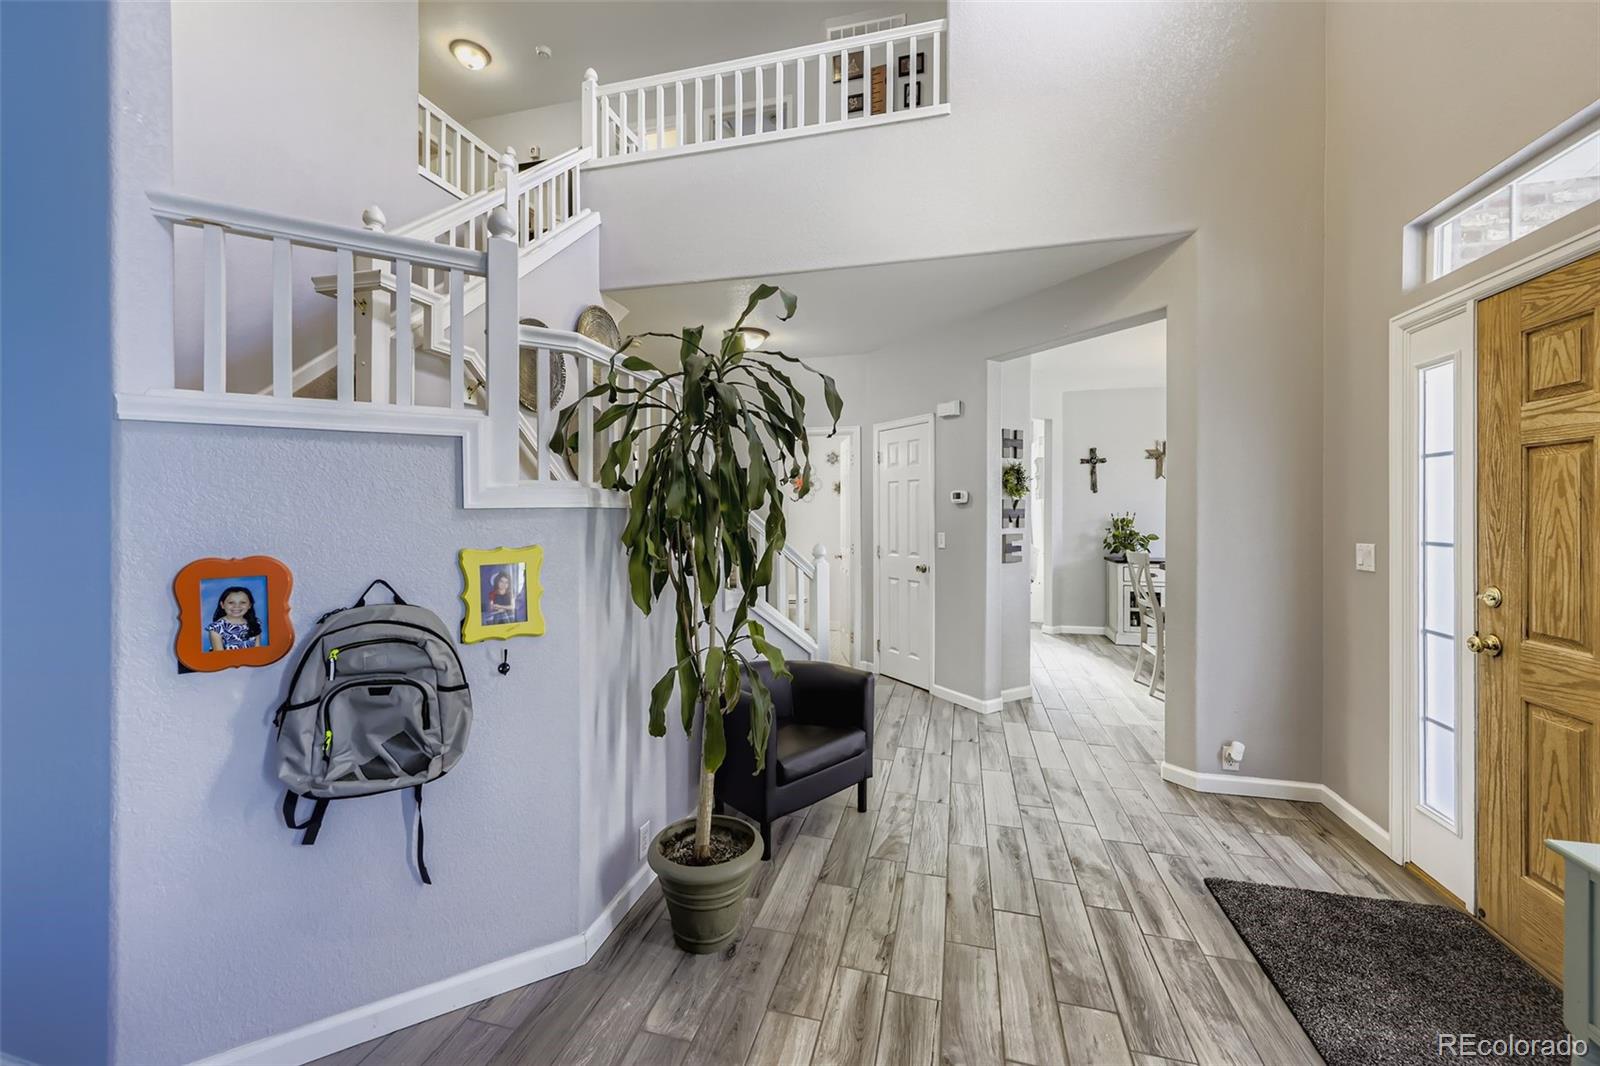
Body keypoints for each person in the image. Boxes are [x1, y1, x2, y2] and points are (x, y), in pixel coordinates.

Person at [206, 586, 262, 650]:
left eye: (243, 602)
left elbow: (257, 650)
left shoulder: (255, 622)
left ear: (250, 605)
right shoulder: (216, 628)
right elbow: (220, 657)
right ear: (222, 605)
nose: (237, 606)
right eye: (231, 602)